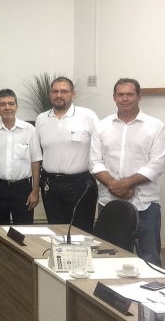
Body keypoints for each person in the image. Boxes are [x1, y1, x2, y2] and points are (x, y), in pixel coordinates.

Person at [90, 78, 165, 267]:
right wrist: (114, 186)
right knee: (109, 255)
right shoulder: (102, 126)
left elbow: (157, 163)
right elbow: (95, 161)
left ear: (139, 96)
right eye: (120, 94)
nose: (125, 99)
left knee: (149, 257)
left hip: (145, 205)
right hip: (109, 202)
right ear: (114, 97)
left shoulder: (155, 126)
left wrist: (124, 184)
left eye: (130, 94)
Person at [36, 77, 99, 232]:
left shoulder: (87, 116)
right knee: (56, 230)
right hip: (50, 186)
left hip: (80, 185)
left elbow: (101, 147)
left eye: (64, 91)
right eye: (55, 91)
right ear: (50, 94)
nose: (59, 95)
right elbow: (36, 155)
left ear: (73, 94)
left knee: (80, 232)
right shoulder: (41, 119)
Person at [0, 89, 42, 226]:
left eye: (11, 104)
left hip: (23, 189)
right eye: (2, 104)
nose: (7, 108)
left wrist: (35, 191)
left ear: (16, 107)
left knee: (25, 232)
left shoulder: (29, 130)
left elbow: (35, 162)